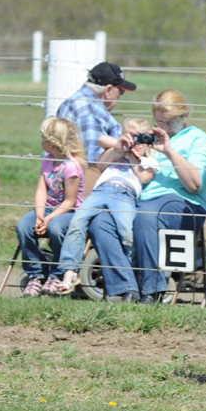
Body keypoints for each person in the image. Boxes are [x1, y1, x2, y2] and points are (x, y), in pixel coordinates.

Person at [88, 89, 206, 304]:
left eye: (170, 123)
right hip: (139, 201)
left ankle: (152, 290)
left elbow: (196, 184)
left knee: (147, 215)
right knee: (100, 221)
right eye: (159, 122)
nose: (164, 128)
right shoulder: (150, 137)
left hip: (183, 203)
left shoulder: (197, 138)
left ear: (184, 117)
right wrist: (120, 149)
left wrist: (169, 151)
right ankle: (125, 289)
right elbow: (100, 166)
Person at [53, 117, 158, 295]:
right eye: (134, 137)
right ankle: (70, 271)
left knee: (127, 232)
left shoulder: (150, 161)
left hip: (125, 195)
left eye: (142, 139)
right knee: (77, 222)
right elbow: (101, 161)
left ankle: (130, 274)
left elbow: (144, 177)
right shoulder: (115, 152)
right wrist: (121, 147)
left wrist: (133, 155)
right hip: (100, 191)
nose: (137, 143)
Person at [15, 117, 86, 296]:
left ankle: (58, 273)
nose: (41, 142)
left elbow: (69, 201)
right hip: (46, 209)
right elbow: (41, 190)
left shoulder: (72, 166)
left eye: (43, 138)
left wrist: (48, 219)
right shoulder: (47, 160)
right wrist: (40, 215)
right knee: (24, 226)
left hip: (68, 211)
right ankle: (36, 274)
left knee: (56, 228)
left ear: (53, 143)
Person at [56, 61, 136, 190]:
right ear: (109, 90)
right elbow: (94, 162)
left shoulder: (72, 101)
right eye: (120, 92)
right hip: (86, 186)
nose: (119, 98)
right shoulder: (91, 112)